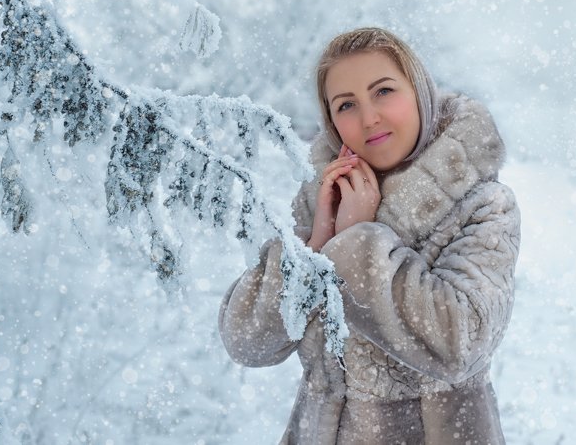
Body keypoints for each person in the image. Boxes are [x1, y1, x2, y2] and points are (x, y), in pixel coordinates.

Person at [219, 27, 521, 444]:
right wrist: (319, 242)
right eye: (346, 104)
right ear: (331, 122)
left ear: (420, 93)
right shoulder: (320, 201)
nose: (369, 117)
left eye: (383, 91)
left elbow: (460, 344)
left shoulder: (482, 205)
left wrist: (359, 238)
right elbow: (247, 342)